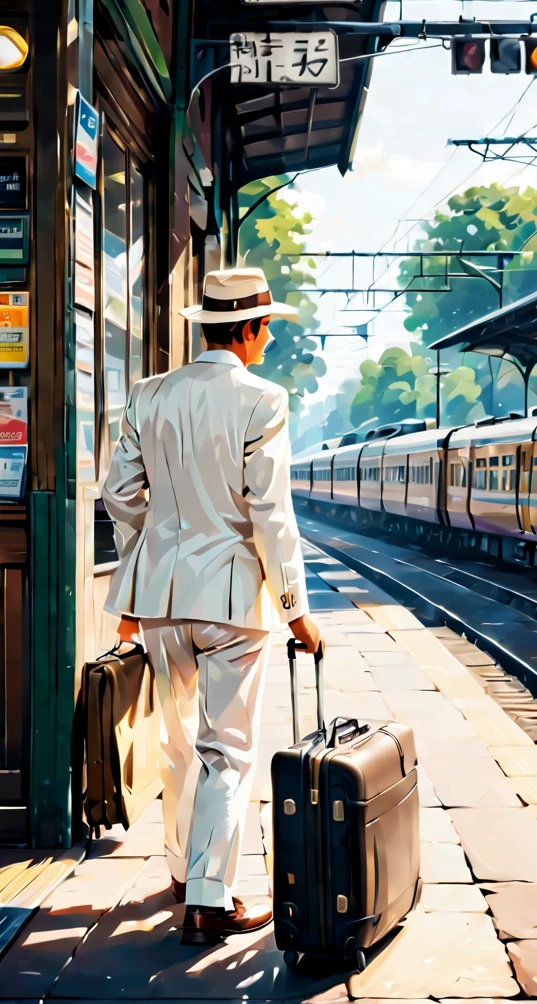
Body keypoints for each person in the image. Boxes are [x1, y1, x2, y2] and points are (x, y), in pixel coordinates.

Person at [101, 267, 323, 947]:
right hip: (232, 602)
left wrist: (145, 570)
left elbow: (120, 494)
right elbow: (271, 514)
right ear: (252, 331)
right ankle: (209, 899)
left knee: (177, 742)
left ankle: (180, 873)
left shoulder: (148, 395)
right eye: (265, 332)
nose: (265, 343)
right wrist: (295, 609)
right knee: (227, 750)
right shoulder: (263, 399)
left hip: (163, 598)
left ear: (207, 328)